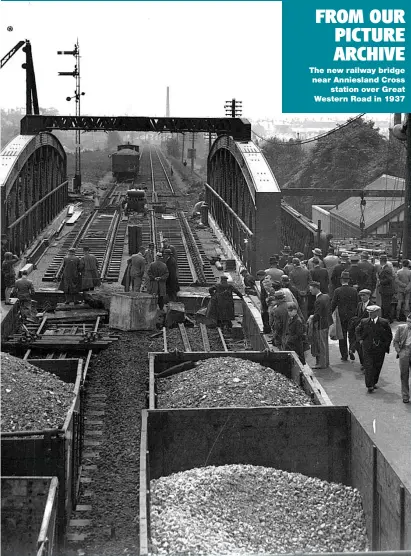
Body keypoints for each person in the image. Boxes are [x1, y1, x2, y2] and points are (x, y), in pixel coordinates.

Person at [356, 305, 393, 393]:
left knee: (377, 366)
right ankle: (369, 385)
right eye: (369, 313)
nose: (370, 315)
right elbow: (357, 330)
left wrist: (385, 345)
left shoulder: (384, 322)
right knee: (368, 366)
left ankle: (374, 382)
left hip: (380, 348)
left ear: (377, 313)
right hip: (367, 348)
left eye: (372, 313)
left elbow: (389, 335)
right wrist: (360, 339)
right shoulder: (364, 321)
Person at [331, 271, 358, 362]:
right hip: (352, 316)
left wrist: (330, 314)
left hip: (341, 316)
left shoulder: (337, 291)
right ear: (348, 280)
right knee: (352, 334)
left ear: (341, 280)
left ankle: (344, 355)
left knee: (342, 336)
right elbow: (357, 304)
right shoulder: (354, 291)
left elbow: (333, 304)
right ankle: (351, 349)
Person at [308, 280, 333, 369]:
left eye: (311, 289)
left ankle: (322, 364)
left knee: (321, 345)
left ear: (315, 288)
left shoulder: (318, 300)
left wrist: (311, 317)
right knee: (325, 344)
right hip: (327, 323)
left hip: (321, 325)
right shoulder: (326, 296)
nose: (310, 291)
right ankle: (326, 362)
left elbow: (318, 315)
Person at [348, 289, 372, 368]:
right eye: (361, 295)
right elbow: (357, 315)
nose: (362, 297)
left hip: (367, 330)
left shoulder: (372, 306)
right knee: (359, 347)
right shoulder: (359, 305)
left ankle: (366, 365)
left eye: (364, 295)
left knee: (365, 348)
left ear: (368, 296)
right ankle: (363, 363)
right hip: (359, 329)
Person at [393, 313, 411, 403]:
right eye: (408, 322)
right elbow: (395, 341)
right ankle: (405, 395)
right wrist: (399, 351)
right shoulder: (401, 328)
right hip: (404, 352)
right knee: (404, 375)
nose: (409, 324)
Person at [378, 255, 395, 323]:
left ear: (381, 261)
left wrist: (380, 282)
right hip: (386, 290)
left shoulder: (386, 269)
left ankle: (387, 319)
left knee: (386, 305)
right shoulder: (385, 268)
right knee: (385, 305)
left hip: (386, 290)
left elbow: (389, 279)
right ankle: (386, 318)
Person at [256, 270, 271, 334]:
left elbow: (265, 293)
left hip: (265, 301)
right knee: (266, 315)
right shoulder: (265, 281)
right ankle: (266, 329)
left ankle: (266, 329)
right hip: (265, 301)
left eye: (259, 276)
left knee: (265, 315)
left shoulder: (264, 282)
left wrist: (264, 302)